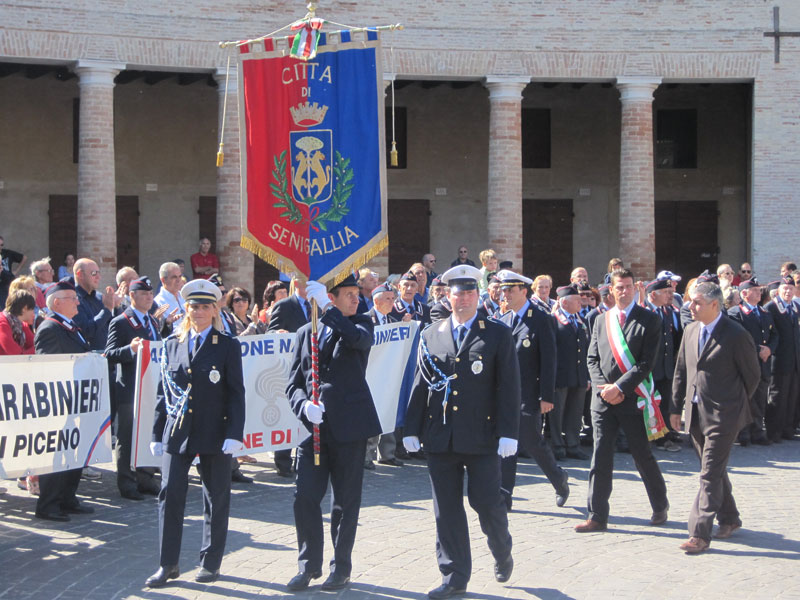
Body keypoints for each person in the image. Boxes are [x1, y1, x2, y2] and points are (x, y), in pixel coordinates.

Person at [404, 264, 520, 599]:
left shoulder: (496, 333)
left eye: (470, 293)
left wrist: (509, 432)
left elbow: (509, 386)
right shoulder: (432, 333)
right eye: (459, 293)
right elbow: (421, 383)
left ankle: (501, 548)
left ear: (478, 296)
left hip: (482, 435)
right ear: (448, 296)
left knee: (486, 503)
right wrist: (411, 427)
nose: (465, 299)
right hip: (440, 435)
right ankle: (454, 575)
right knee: (446, 510)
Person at [146, 279, 245, 587]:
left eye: (204, 307)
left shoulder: (226, 345)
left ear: (215, 310)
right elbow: (164, 392)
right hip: (178, 431)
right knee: (170, 495)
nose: (199, 312)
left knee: (216, 497)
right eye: (193, 306)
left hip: (214, 430)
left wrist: (234, 433)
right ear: (186, 309)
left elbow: (236, 393)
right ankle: (168, 564)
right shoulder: (172, 343)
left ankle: (210, 562)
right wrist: (156, 433)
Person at [285, 275, 381, 592]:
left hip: (349, 428)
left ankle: (340, 568)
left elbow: (357, 340)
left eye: (356, 293)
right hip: (313, 429)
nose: (356, 299)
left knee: (345, 502)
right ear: (332, 295)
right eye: (348, 294)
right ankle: (308, 565)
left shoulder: (361, 324)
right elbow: (294, 383)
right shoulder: (306, 332)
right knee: (305, 498)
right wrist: (303, 406)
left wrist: (328, 310)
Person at [575, 268, 669, 533]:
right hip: (603, 401)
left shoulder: (649, 320)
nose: (624, 291)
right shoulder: (600, 320)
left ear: (635, 288)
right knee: (601, 456)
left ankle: (660, 504)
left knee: (642, 455)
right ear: (611, 290)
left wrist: (619, 388)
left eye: (628, 286)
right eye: (619, 287)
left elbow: (646, 363)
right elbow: (592, 358)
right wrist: (604, 389)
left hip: (633, 398)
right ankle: (596, 515)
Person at [671, 281, 760, 554]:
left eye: (697, 302)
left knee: (708, 472)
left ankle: (699, 533)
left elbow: (752, 376)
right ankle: (730, 518)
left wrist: (733, 404)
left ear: (714, 304)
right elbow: (681, 371)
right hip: (695, 412)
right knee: (714, 469)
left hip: (724, 415)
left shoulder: (736, 334)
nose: (690, 306)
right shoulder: (690, 330)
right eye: (690, 301)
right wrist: (675, 408)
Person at [495, 270, 569, 510]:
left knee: (532, 441)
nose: (505, 295)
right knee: (506, 442)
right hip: (505, 395)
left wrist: (546, 396)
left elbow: (549, 360)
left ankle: (559, 479)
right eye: (503, 290)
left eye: (510, 290)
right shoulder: (503, 319)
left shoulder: (540, 318)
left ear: (524, 292)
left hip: (529, 393)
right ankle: (504, 494)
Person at [33, 281, 93, 522]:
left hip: (77, 399)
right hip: (60, 401)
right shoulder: (50, 328)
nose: (78, 301)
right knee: (56, 454)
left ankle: (68, 497)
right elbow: (46, 366)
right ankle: (48, 504)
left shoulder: (70, 325)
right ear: (57, 302)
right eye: (72, 298)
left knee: (74, 451)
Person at [105, 277, 163, 500]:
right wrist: (130, 349)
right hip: (130, 388)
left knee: (148, 433)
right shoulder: (121, 321)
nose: (149, 297)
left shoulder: (153, 321)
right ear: (132, 296)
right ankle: (127, 482)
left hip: (150, 387)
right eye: (144, 293)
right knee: (127, 437)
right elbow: (109, 354)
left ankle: (146, 478)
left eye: (150, 293)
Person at [268, 276, 311, 477]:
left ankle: (305, 458)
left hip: (311, 368)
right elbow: (271, 332)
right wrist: (278, 333)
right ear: (296, 282)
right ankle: (283, 461)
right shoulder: (285, 305)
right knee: (287, 414)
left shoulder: (317, 305)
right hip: (289, 366)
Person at [727, 278, 776, 446]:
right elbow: (738, 338)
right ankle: (743, 432)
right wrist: (757, 350)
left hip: (763, 362)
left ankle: (757, 431)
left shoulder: (764, 312)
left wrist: (769, 349)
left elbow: (775, 335)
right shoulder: (735, 312)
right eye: (754, 290)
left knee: (760, 398)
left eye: (759, 290)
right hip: (746, 363)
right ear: (744, 293)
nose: (758, 293)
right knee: (745, 399)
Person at [364, 282, 405, 468]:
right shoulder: (365, 319)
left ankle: (387, 453)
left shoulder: (393, 321)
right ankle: (367, 454)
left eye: (393, 298)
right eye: (388, 299)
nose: (392, 302)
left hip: (388, 374)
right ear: (376, 301)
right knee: (371, 413)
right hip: (371, 374)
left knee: (389, 410)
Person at [551, 284, 590, 460]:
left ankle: (573, 444)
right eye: (576, 300)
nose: (580, 303)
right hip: (560, 375)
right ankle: (557, 445)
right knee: (557, 413)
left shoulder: (580, 320)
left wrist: (587, 376)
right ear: (564, 302)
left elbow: (586, 349)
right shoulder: (553, 320)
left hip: (578, 374)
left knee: (575, 412)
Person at [764, 276, 800, 443]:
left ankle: (788, 429)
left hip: (794, 360)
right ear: (778, 291)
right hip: (779, 360)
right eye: (785, 288)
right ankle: (774, 431)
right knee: (778, 396)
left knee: (792, 396)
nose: (788, 291)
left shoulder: (795, 307)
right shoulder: (771, 308)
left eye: (791, 289)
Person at [72, 257, 122, 350]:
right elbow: (87, 331)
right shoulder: (74, 299)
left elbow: (112, 327)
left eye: (99, 273)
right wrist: (107, 309)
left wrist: (115, 307)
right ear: (80, 274)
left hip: (106, 353)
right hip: (89, 355)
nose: (98, 277)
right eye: (94, 273)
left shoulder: (99, 297)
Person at [0, 289, 35, 355]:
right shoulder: (2, 323)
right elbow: (16, 354)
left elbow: (35, 344)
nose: (34, 314)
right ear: (24, 308)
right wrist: (35, 350)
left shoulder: (21, 324)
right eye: (32, 309)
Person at [154, 262, 186, 330]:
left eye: (180, 276)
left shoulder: (185, 297)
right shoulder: (158, 303)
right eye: (174, 277)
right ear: (163, 280)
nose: (178, 280)